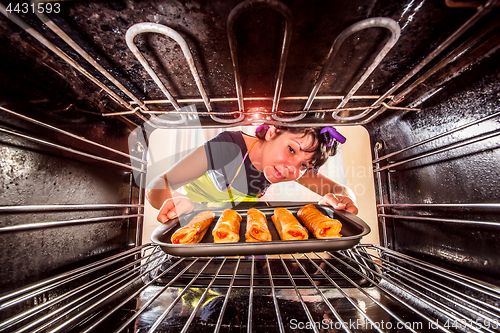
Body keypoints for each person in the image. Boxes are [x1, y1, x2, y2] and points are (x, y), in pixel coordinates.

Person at [146, 125, 358, 223]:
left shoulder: (289, 166)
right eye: (291, 149)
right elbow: (159, 183)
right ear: (272, 131)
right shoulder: (227, 147)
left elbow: (338, 190)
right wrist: (176, 200)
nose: (292, 169)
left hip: (239, 232)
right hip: (194, 224)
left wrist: (342, 199)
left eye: (304, 165)